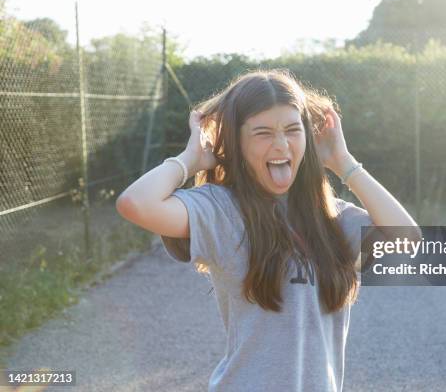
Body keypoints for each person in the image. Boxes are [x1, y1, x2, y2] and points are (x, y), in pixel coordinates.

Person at [116, 69, 421, 392]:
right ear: (237, 143)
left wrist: (344, 163)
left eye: (292, 130)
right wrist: (190, 160)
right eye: (262, 133)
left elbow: (408, 240)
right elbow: (136, 204)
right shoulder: (223, 211)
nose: (280, 144)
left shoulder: (333, 219)